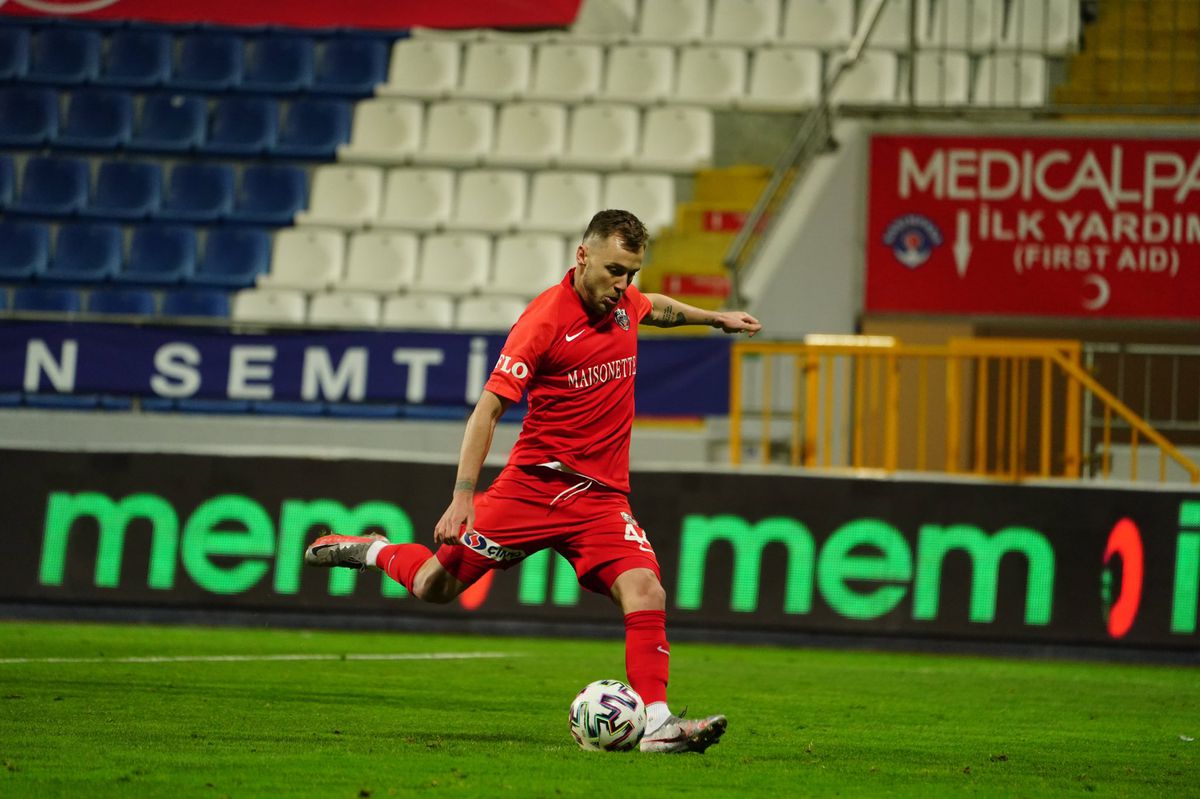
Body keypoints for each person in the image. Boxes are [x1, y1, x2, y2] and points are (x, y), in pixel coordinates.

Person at [305, 210, 762, 753]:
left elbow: (656, 309)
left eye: (632, 273)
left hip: (600, 500)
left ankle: (658, 723)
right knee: (434, 586)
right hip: (532, 491)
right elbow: (488, 410)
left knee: (646, 589)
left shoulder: (623, 304)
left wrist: (714, 318)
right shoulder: (544, 320)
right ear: (582, 255)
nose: (623, 285)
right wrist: (462, 498)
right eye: (615, 269)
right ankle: (375, 551)